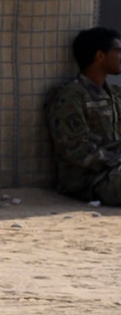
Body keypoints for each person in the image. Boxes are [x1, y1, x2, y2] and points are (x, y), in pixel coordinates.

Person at [45, 26, 121, 204]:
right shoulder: (70, 96)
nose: (120, 57)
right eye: (117, 51)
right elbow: (76, 148)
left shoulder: (115, 95)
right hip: (90, 179)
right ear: (100, 56)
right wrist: (115, 160)